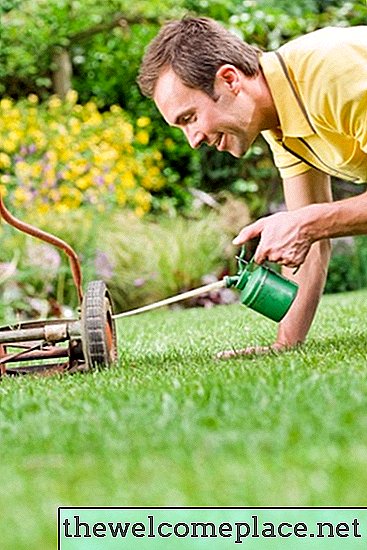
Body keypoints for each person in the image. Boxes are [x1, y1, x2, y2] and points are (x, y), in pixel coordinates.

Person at [137, 16, 367, 357]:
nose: (193, 139)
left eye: (190, 117)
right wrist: (284, 345)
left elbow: (307, 225)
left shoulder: (332, 71)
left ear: (229, 79)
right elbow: (310, 245)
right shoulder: (281, 125)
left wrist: (307, 223)